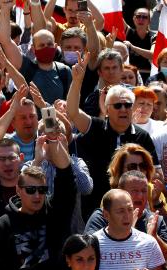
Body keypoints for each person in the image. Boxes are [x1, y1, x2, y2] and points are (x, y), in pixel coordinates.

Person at [67, 55, 159, 220]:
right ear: (107, 109)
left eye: (128, 105)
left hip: (132, 211)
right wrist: (77, 81)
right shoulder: (96, 127)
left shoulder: (142, 136)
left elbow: (156, 173)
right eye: (117, 105)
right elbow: (72, 112)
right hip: (96, 210)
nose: (123, 109)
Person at [0, 137, 77, 270]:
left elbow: (67, 179)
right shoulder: (1, 227)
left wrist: (53, 140)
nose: (37, 195)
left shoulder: (54, 212)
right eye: (31, 190)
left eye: (42, 189)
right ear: (19, 191)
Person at [85, 170, 167, 258]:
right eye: (134, 191)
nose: (140, 196)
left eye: (144, 191)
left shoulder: (155, 220)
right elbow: (87, 251)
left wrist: (154, 238)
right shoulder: (104, 216)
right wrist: (126, 232)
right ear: (121, 191)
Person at [93, 189, 165, 270]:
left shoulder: (149, 243)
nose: (127, 216)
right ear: (106, 215)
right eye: (121, 211)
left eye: (130, 209)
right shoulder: (93, 243)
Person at [106, 143, 167, 216]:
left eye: (142, 166)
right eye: (132, 166)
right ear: (120, 170)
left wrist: (156, 201)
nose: (138, 170)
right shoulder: (112, 196)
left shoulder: (153, 190)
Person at [123, 8, 155, 82]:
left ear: (149, 21)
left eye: (145, 17)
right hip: (130, 77)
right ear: (134, 19)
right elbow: (116, 14)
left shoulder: (153, 36)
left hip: (148, 76)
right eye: (138, 16)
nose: (141, 19)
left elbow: (152, 55)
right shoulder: (128, 32)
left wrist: (132, 47)